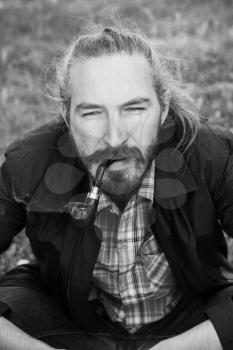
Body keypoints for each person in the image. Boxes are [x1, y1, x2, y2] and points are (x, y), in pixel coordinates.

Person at [0, 24, 232, 350]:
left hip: (189, 320)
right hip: (74, 321)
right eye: (92, 112)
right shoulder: (29, 162)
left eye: (134, 108)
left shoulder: (212, 156)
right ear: (67, 116)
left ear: (163, 109)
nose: (114, 137)